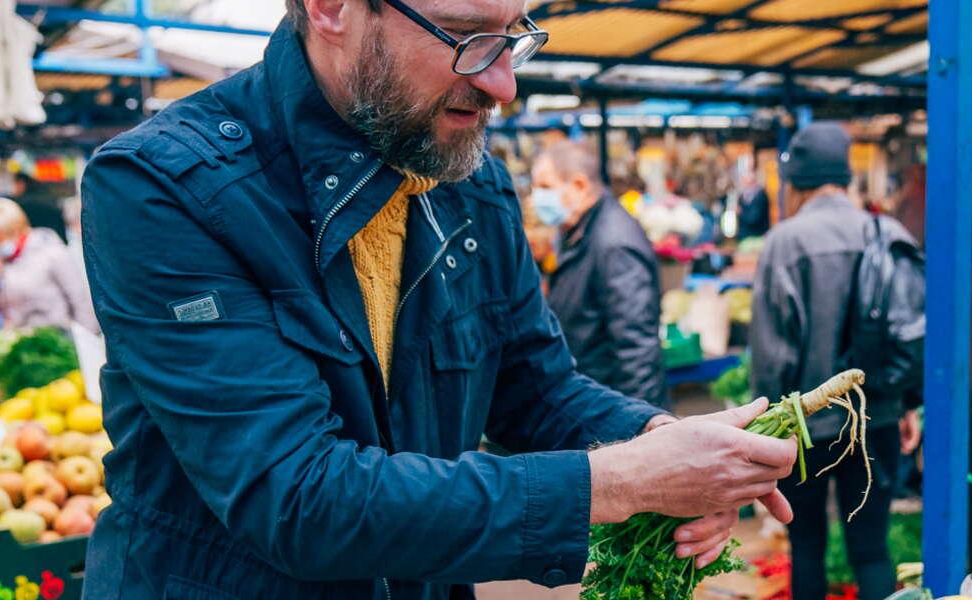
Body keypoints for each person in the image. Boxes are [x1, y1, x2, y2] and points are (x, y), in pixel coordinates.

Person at [76, 2, 799, 597]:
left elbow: (533, 388)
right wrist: (616, 483)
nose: (503, 85)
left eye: (514, 38)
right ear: (331, 9)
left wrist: (656, 442)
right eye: (467, 38)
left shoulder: (468, 183)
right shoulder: (164, 187)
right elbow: (295, 498)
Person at [751, 123, 921, 600]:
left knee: (806, 545)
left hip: (807, 429)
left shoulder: (786, 242)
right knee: (871, 549)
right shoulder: (887, 231)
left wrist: (763, 432)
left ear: (797, 182)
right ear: (845, 176)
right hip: (877, 419)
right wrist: (907, 404)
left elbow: (772, 356)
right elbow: (908, 331)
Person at [530, 141, 667, 407]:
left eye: (546, 187)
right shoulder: (577, 230)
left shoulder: (615, 244)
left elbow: (637, 348)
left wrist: (639, 426)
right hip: (589, 396)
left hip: (611, 404)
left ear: (579, 186)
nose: (536, 197)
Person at [0, 198, 99, 334]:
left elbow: (79, 300)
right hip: (18, 340)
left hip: (57, 338)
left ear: (14, 230)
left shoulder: (51, 252)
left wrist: (88, 338)